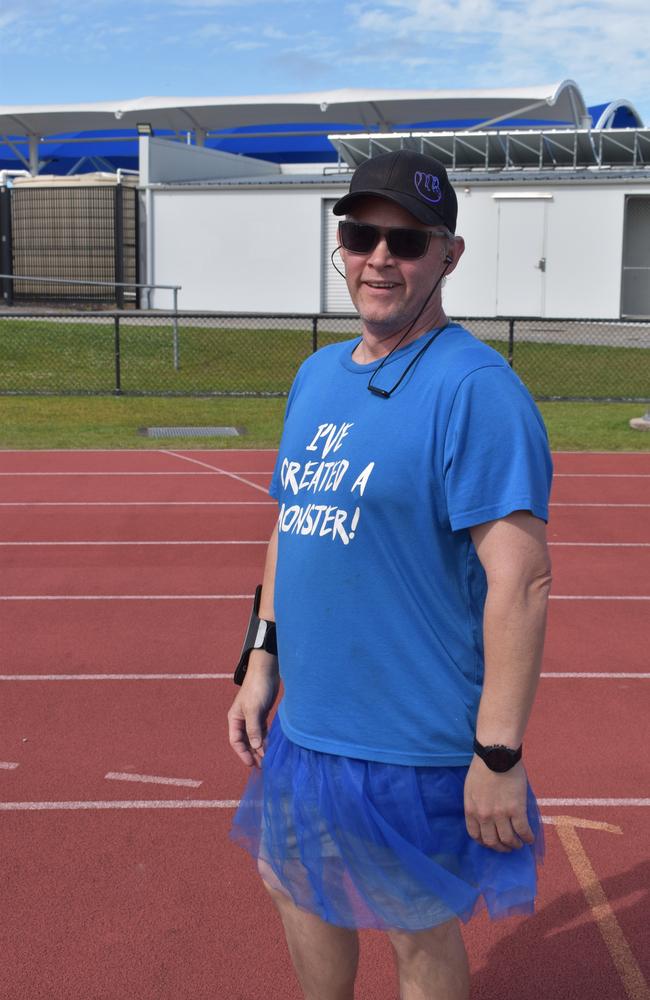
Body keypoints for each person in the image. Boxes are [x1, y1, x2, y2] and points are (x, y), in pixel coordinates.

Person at [228, 149, 553, 1000]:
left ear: (448, 255)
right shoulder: (315, 374)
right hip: (310, 729)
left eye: (405, 240)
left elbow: (520, 581)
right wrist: (261, 659)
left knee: (418, 931)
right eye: (361, 233)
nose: (380, 257)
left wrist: (499, 752)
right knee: (299, 891)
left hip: (413, 745)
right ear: (341, 244)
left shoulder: (477, 389)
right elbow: (291, 522)